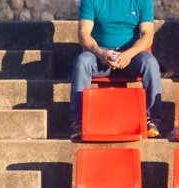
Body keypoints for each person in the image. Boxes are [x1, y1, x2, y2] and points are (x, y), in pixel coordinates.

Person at [69, 0, 161, 140]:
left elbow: (148, 35)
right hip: (100, 54)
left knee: (150, 63)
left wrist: (129, 54)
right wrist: (100, 53)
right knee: (82, 62)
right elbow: (84, 33)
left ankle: (152, 120)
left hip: (131, 55)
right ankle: (78, 122)